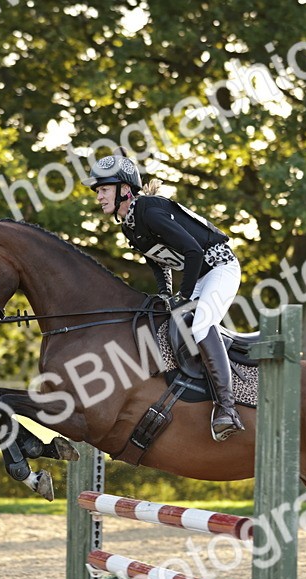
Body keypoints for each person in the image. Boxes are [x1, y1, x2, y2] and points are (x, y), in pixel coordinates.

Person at [84, 152, 245, 441]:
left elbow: (193, 251)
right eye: (98, 191)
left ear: (125, 190)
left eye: (104, 189)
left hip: (220, 268)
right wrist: (165, 294)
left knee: (200, 325)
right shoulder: (130, 225)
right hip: (200, 274)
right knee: (165, 324)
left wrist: (183, 296)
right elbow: (159, 263)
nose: (99, 197)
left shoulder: (148, 212)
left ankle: (227, 408)